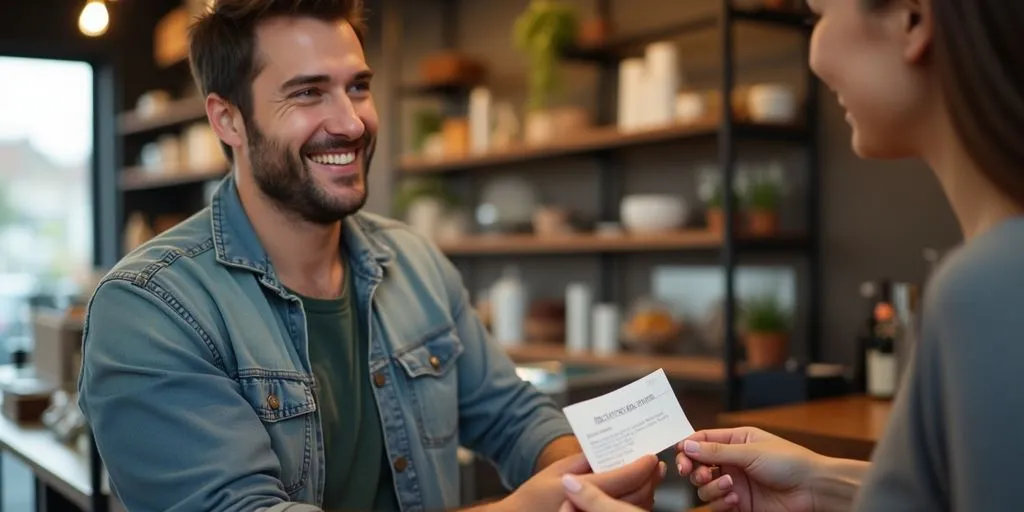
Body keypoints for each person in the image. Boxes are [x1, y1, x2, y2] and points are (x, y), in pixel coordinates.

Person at [76, 1, 665, 511]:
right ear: (227, 118)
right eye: (308, 93)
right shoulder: (150, 307)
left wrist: (587, 474)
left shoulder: (414, 261)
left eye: (357, 86)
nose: (352, 121)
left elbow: (509, 413)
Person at [562, 0, 1024, 510]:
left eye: (818, 15)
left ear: (913, 18)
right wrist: (825, 483)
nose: (814, 58)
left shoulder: (987, 289)